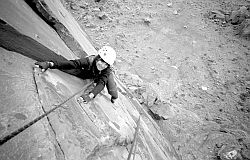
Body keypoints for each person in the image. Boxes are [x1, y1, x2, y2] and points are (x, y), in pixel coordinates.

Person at [35, 46, 118, 103]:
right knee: (71, 70)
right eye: (102, 61)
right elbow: (72, 63)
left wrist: (90, 96)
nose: (103, 65)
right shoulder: (89, 61)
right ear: (98, 58)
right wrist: (50, 64)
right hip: (91, 71)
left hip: (101, 75)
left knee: (111, 88)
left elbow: (101, 84)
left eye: (106, 64)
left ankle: (115, 96)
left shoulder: (107, 70)